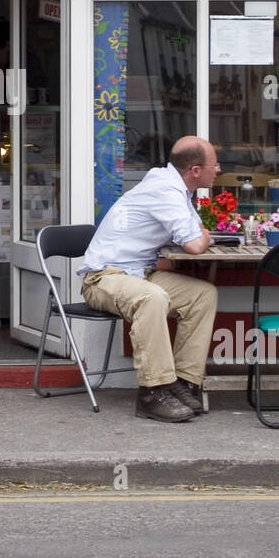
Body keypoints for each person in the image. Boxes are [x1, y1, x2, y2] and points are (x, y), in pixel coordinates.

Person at [77, 136, 221, 422]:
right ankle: (152, 393)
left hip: (139, 272)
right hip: (104, 277)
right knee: (152, 297)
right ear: (195, 170)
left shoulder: (178, 190)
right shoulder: (165, 189)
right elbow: (195, 242)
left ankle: (182, 382)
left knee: (202, 295)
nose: (217, 170)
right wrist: (202, 236)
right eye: (214, 165)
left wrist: (201, 235)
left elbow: (198, 233)